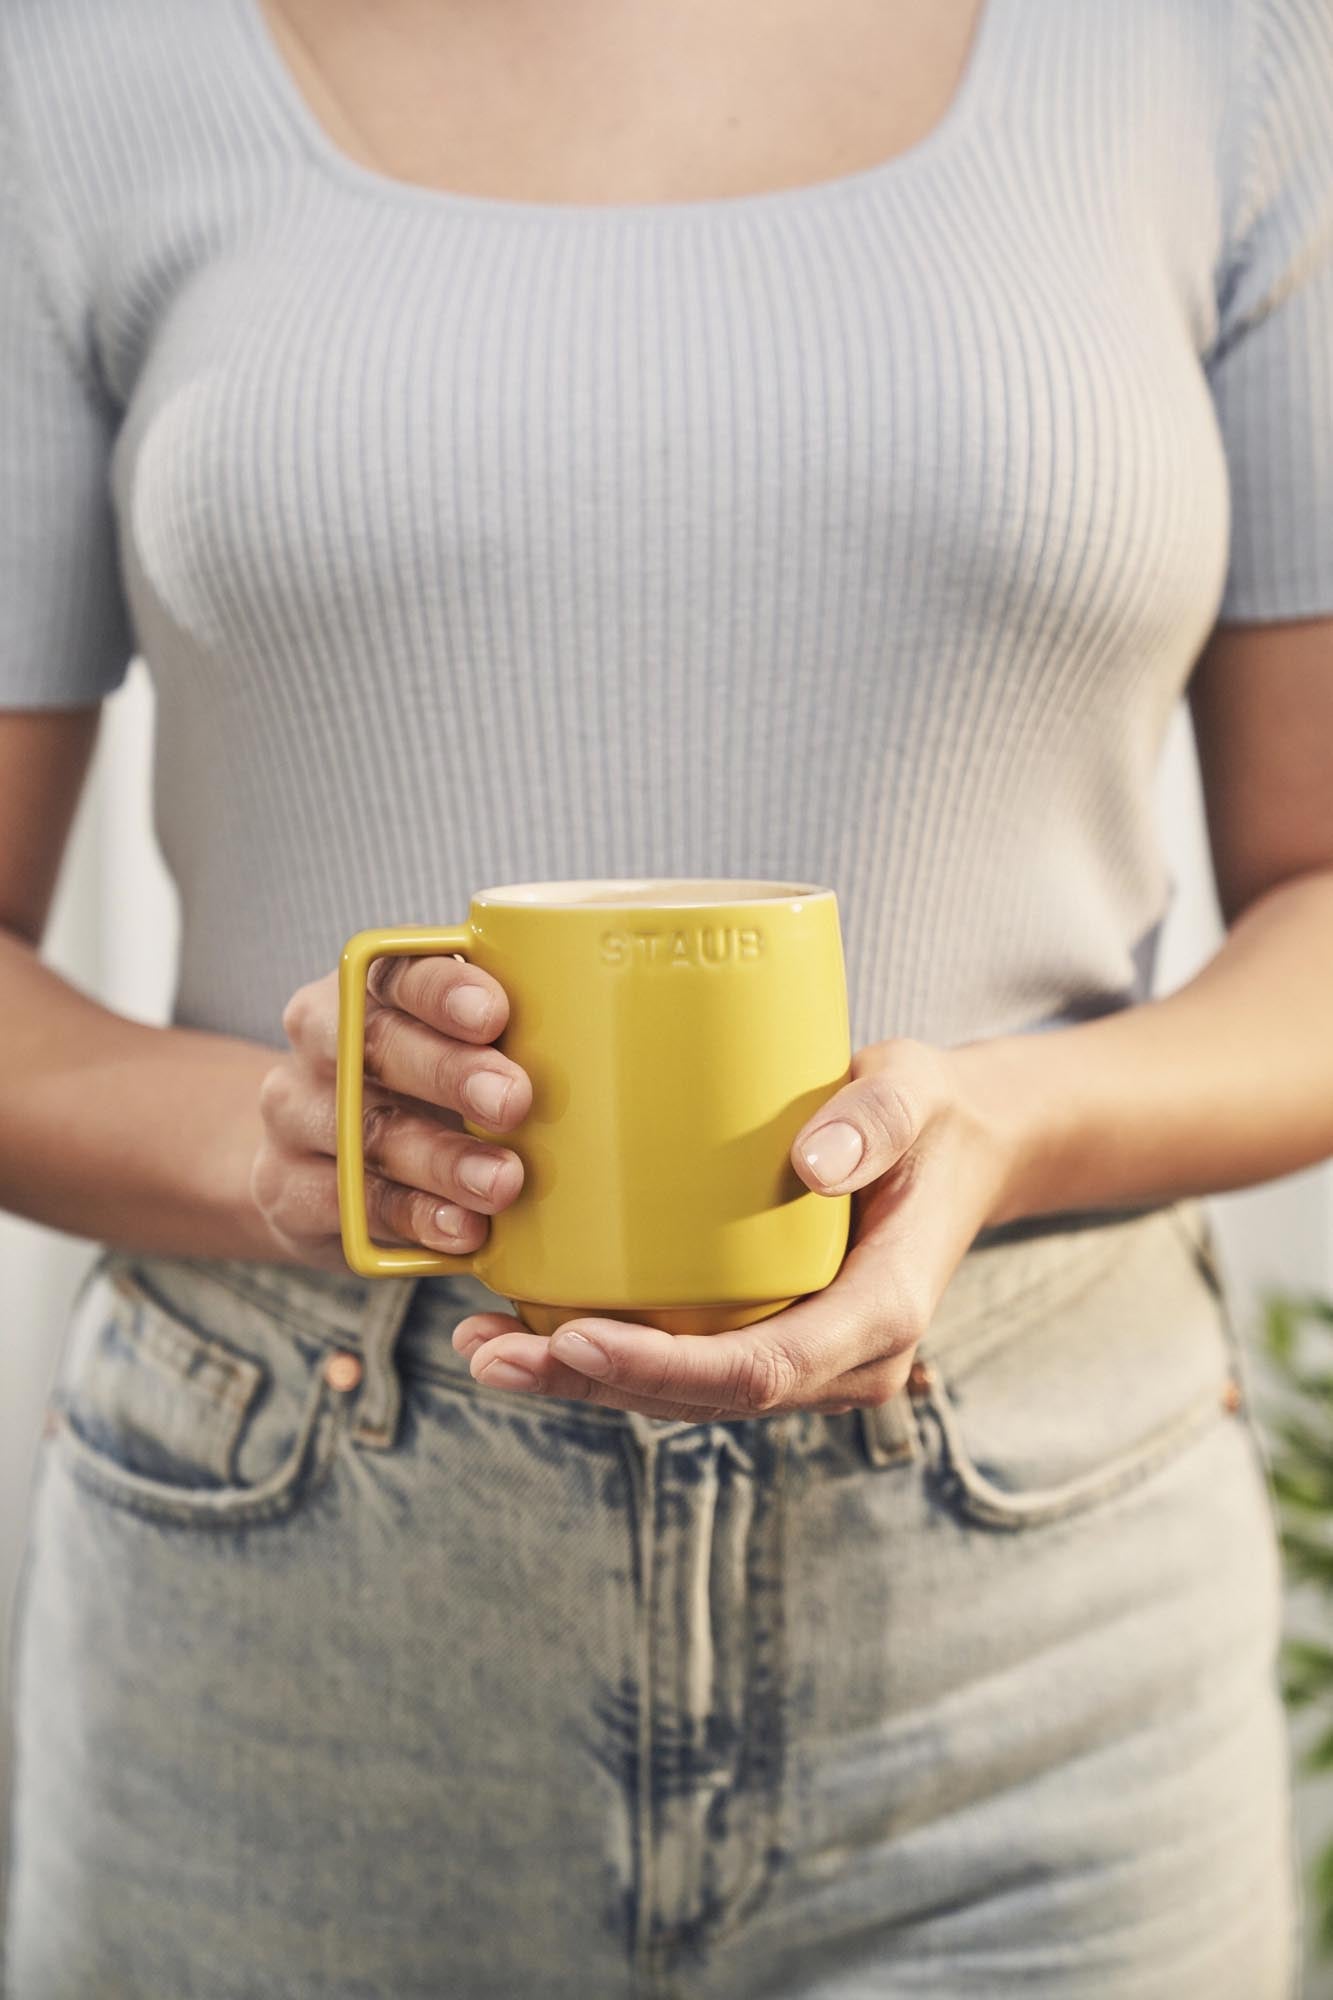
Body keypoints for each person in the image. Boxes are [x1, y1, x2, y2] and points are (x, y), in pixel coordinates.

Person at [2, 0, 1331, 1993]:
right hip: (288, 1625)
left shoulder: (1222, 49)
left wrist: (1007, 1121)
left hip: (1041, 1630)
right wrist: (275, 1146)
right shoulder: (79, 68)